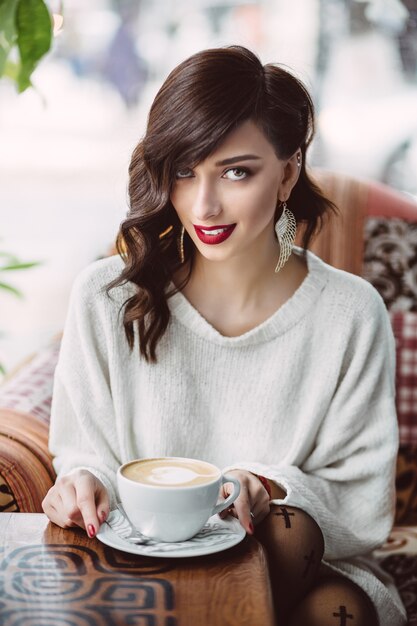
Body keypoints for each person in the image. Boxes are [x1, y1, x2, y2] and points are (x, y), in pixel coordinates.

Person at [42, 46, 407, 626]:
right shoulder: (107, 296)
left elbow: (359, 501)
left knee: (324, 597)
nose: (204, 203)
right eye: (185, 171)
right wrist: (80, 482)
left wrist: (264, 486)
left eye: (236, 171)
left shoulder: (349, 312)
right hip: (145, 559)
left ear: (288, 173)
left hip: (309, 562)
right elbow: (84, 449)